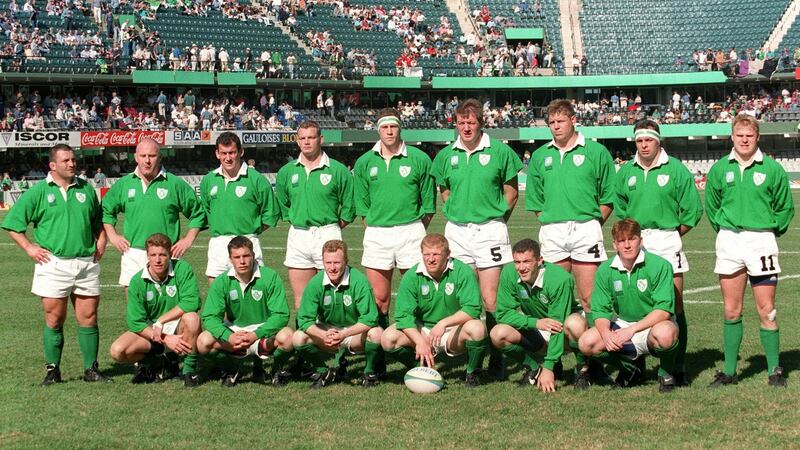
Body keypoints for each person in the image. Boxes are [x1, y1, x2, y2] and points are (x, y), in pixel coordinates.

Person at [429, 98, 523, 379]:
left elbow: (512, 192)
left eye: (471, 122)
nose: (466, 127)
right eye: (461, 122)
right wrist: (459, 212)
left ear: (481, 122)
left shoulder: (499, 151)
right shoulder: (447, 155)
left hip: (490, 230)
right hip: (457, 231)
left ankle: (497, 358)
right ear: (455, 123)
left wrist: (494, 218)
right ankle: (473, 360)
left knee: (490, 298)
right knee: (464, 298)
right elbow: (444, 191)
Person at [2, 144, 110, 385]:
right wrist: (30, 248)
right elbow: (13, 224)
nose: (72, 164)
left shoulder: (86, 189)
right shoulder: (38, 191)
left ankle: (91, 369)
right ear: (52, 165)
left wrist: (102, 240)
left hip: (85, 262)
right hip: (53, 263)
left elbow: (98, 223)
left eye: (73, 159)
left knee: (89, 317)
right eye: (66, 160)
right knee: (54, 318)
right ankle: (53, 371)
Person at [705, 115, 794, 388]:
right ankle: (730, 372)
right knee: (732, 310)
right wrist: (725, 228)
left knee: (766, 309)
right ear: (732, 137)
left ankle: (774, 370)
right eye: (739, 135)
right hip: (730, 240)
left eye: (749, 135)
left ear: (757, 138)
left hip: (761, 241)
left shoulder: (772, 169)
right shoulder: (720, 169)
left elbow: (784, 208)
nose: (744, 140)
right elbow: (712, 206)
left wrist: (767, 229)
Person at [614, 119, 702, 386]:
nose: (643, 145)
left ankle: (677, 366)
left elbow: (693, 212)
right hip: (636, 242)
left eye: (648, 140)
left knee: (674, 305)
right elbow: (621, 211)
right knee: (635, 303)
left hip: (666, 240)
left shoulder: (675, 170)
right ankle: (635, 363)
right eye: (639, 141)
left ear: (658, 141)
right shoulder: (626, 171)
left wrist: (673, 235)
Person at [352, 108, 435, 351]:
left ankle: (420, 347)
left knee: (419, 293)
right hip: (378, 234)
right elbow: (363, 209)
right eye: (385, 127)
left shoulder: (419, 158)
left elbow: (428, 205)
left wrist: (412, 226)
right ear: (378, 129)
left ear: (400, 128)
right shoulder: (365, 162)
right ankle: (380, 353)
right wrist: (381, 226)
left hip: (411, 231)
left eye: (394, 126)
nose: (389, 131)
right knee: (379, 299)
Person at [526, 99, 615, 318]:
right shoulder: (539, 156)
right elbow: (536, 200)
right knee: (555, 295)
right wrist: (552, 219)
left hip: (586, 229)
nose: (556, 126)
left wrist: (592, 222)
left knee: (589, 297)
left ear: (573, 120)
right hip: (552, 230)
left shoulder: (596, 151)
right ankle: (557, 349)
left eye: (561, 121)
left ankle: (594, 349)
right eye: (551, 122)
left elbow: (608, 196)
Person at [578, 219, 679, 392]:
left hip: (653, 324)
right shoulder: (605, 269)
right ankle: (632, 369)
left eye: (631, 239)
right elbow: (600, 309)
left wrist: (631, 331)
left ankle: (666, 373)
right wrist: (605, 333)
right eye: (621, 241)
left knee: (666, 333)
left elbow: (663, 311)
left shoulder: (660, 265)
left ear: (640, 240)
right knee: (586, 343)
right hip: (623, 323)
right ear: (614, 244)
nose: (627, 245)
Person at [101, 138, 205, 297]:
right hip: (133, 253)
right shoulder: (124, 184)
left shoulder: (175, 184)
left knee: (167, 308)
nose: (147, 161)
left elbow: (198, 213)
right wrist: (113, 236)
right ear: (136, 157)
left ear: (160, 157)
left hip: (165, 254)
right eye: (143, 156)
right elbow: (106, 210)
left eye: (152, 156)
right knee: (135, 310)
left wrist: (188, 239)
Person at [381, 234, 487, 387]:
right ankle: (421, 368)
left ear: (448, 254)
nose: (431, 259)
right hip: (423, 329)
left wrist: (443, 323)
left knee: (477, 328)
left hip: (453, 330)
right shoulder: (411, 276)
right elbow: (403, 316)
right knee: (387, 338)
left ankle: (472, 372)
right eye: (427, 254)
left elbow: (472, 309)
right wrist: (419, 341)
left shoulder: (463, 272)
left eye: (436, 254)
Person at [275, 121, 355, 310]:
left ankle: (335, 337)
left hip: (328, 233)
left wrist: (332, 227)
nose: (307, 142)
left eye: (311, 137)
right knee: (301, 300)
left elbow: (349, 206)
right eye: (302, 138)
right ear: (297, 141)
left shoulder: (338, 170)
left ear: (321, 139)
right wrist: (295, 218)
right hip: (298, 234)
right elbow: (283, 204)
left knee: (333, 296)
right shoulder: (287, 171)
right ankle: (306, 339)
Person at [491, 239, 589, 391]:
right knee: (498, 333)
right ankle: (534, 368)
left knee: (574, 324)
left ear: (539, 261)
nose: (521, 267)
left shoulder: (559, 279)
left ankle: (583, 369)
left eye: (526, 262)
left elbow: (557, 324)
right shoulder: (509, 273)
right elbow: (502, 314)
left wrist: (549, 366)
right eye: (517, 262)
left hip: (566, 330)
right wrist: (536, 323)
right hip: (540, 326)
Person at [197, 236, 295, 387]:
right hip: (235, 333)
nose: (242, 261)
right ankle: (233, 369)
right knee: (203, 342)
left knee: (288, 337)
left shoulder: (270, 276)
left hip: (263, 333)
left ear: (253, 256)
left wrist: (256, 334)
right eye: (237, 257)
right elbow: (209, 317)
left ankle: (275, 370)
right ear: (230, 259)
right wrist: (228, 336)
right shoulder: (222, 281)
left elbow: (281, 315)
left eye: (246, 256)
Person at [108, 233, 201, 387]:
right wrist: (164, 338)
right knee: (118, 351)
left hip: (177, 325)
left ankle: (189, 371)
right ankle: (157, 360)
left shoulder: (182, 269)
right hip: (152, 331)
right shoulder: (137, 281)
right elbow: (135, 322)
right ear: (147, 256)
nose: (158, 260)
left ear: (170, 254)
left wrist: (161, 321)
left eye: (163, 255)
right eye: (153, 255)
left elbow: (192, 302)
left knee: (192, 318)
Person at [292, 240, 383, 388]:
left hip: (353, 333)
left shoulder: (359, 281)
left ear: (346, 261)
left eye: (337, 263)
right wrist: (323, 335)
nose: (332, 268)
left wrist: (344, 334)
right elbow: (304, 320)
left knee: (377, 333)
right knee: (297, 338)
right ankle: (323, 371)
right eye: (328, 263)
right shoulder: (315, 283)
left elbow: (370, 318)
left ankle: (368, 372)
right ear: (322, 262)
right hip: (327, 332)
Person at [199, 132, 279, 283]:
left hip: (248, 242)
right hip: (218, 244)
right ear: (217, 154)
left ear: (241, 152)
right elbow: (206, 210)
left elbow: (271, 214)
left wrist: (251, 229)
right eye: (223, 153)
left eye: (232, 153)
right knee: (218, 300)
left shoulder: (257, 180)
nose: (228, 158)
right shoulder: (208, 180)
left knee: (251, 298)